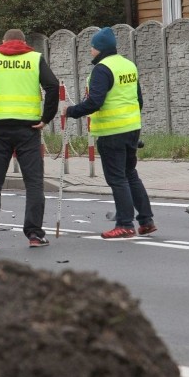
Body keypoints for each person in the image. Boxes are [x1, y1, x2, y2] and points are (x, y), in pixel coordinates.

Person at [0, 29, 59, 250]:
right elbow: (53, 86)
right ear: (24, 42)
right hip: (28, 129)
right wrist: (46, 117)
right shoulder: (34, 58)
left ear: (3, 41)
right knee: (34, 183)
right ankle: (35, 235)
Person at [66, 27, 154, 239]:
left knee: (117, 179)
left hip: (111, 131)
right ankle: (146, 220)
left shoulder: (102, 69)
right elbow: (138, 99)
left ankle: (124, 224)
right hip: (132, 128)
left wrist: (71, 111)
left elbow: (95, 102)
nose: (91, 51)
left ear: (100, 49)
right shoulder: (128, 65)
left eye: (92, 47)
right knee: (130, 174)